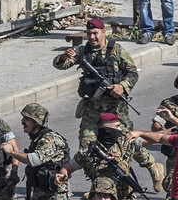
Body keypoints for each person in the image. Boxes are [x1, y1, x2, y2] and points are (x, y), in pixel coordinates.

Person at [53, 17, 164, 189]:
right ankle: (99, 185)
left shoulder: (117, 51)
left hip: (115, 108)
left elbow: (133, 73)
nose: (92, 37)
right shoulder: (83, 52)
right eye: (89, 34)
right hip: (93, 108)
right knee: (88, 147)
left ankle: (152, 166)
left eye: (95, 33)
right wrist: (63, 56)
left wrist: (122, 86)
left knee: (126, 142)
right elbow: (60, 65)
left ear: (104, 33)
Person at [57, 113, 146, 200]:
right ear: (107, 130)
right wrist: (63, 175)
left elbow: (158, 138)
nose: (120, 129)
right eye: (117, 126)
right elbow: (68, 167)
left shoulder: (126, 143)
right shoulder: (88, 152)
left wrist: (141, 133)